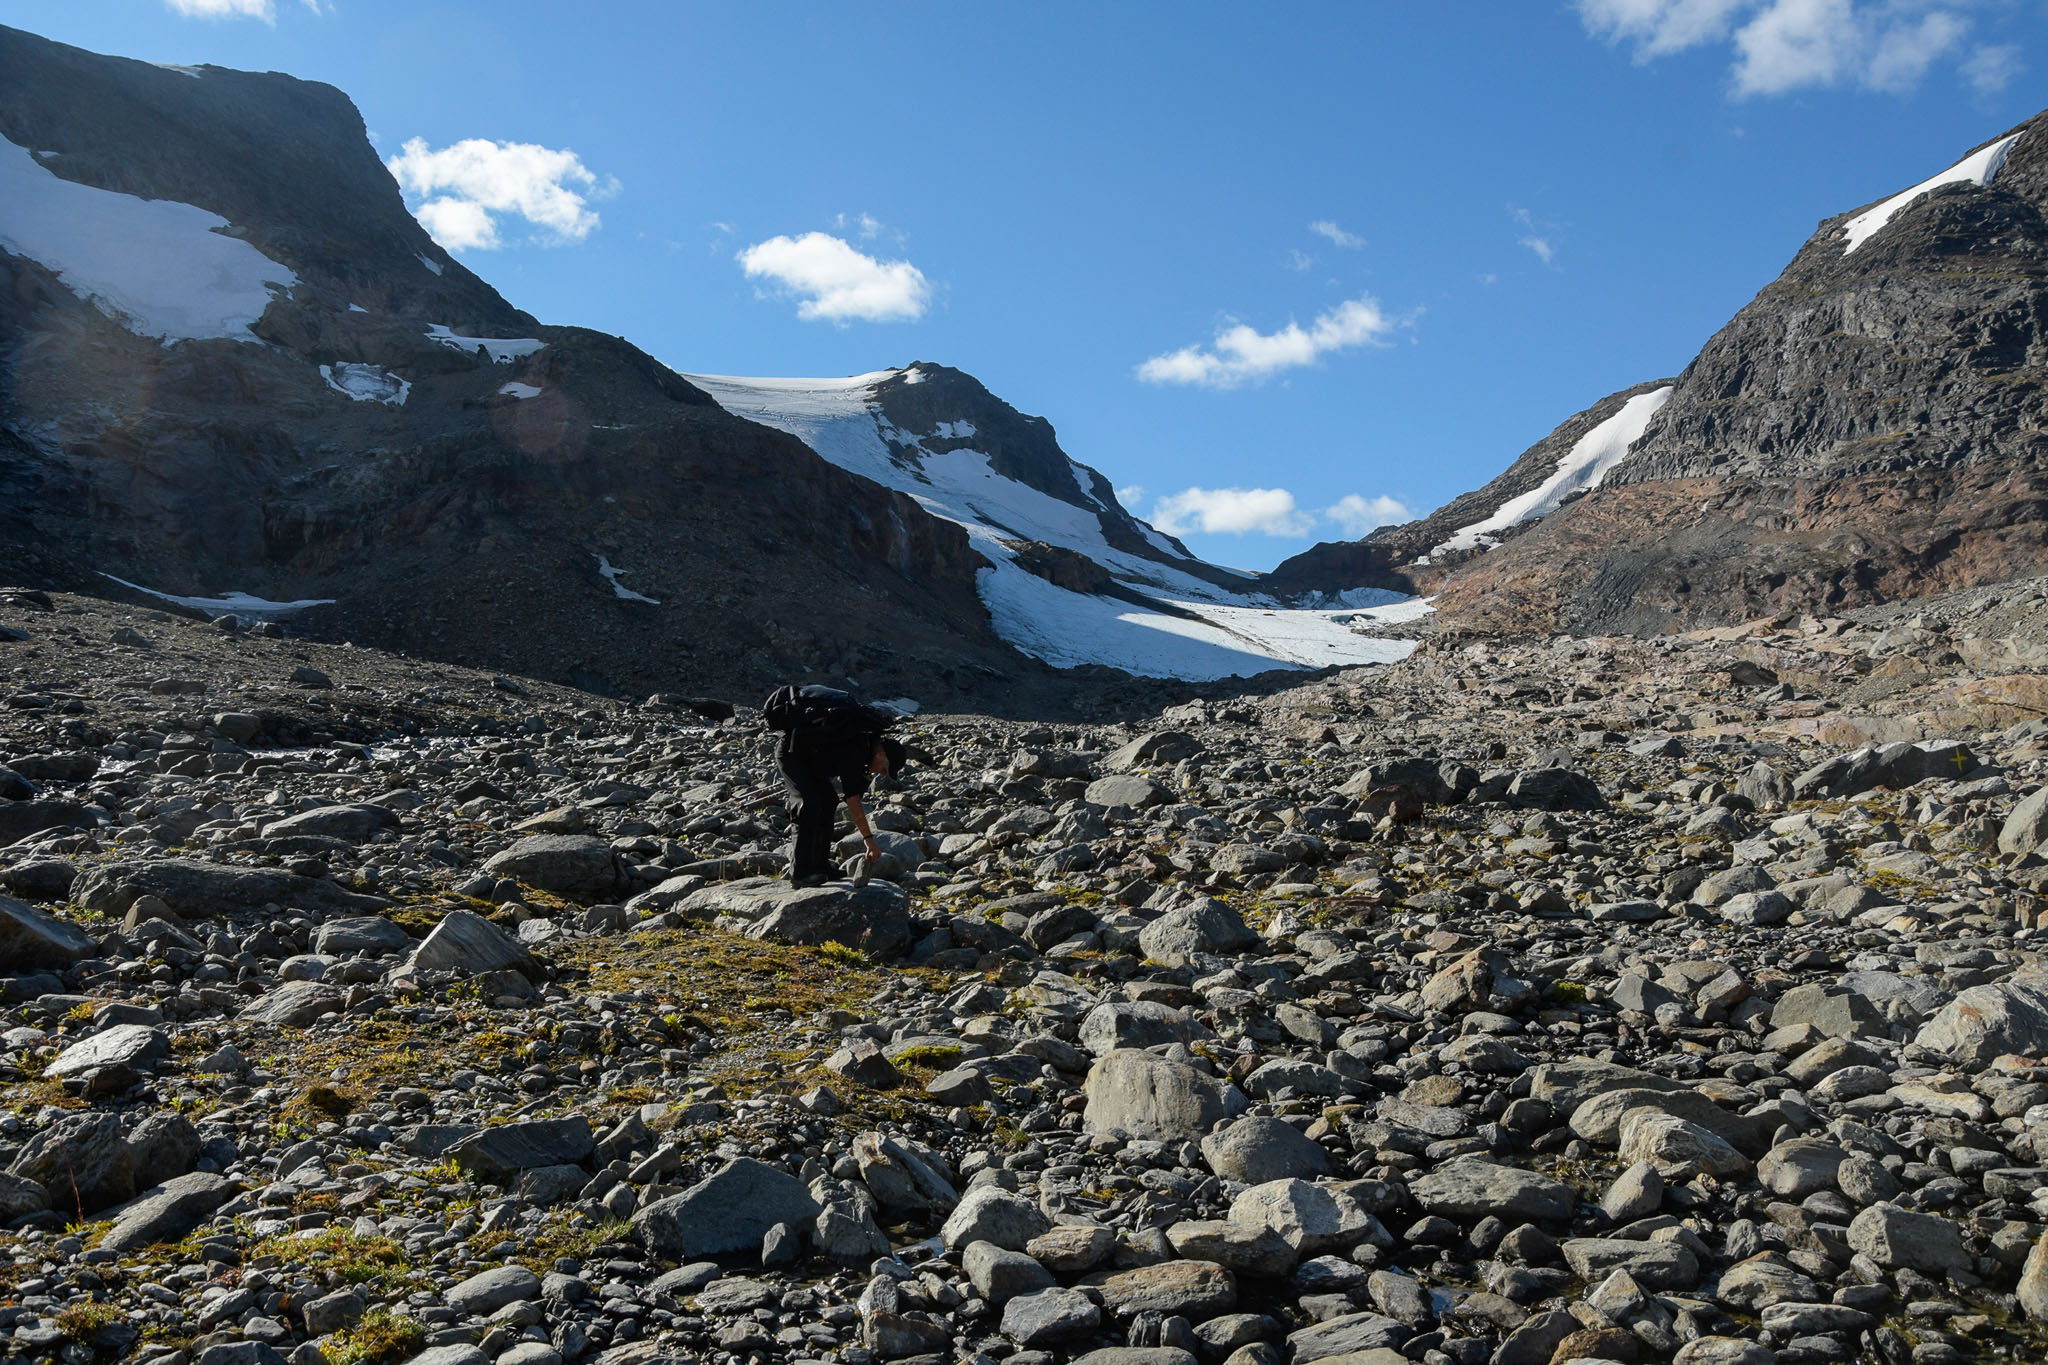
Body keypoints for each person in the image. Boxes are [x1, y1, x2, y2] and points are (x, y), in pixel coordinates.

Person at [768, 685, 908, 886]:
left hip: (811, 759)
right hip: (792, 754)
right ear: (881, 755)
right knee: (808, 804)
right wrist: (869, 840)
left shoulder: (864, 747)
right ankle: (801, 872)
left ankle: (820, 865)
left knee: (829, 800)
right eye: (885, 768)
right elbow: (853, 800)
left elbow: (852, 794)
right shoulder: (857, 750)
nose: (883, 773)